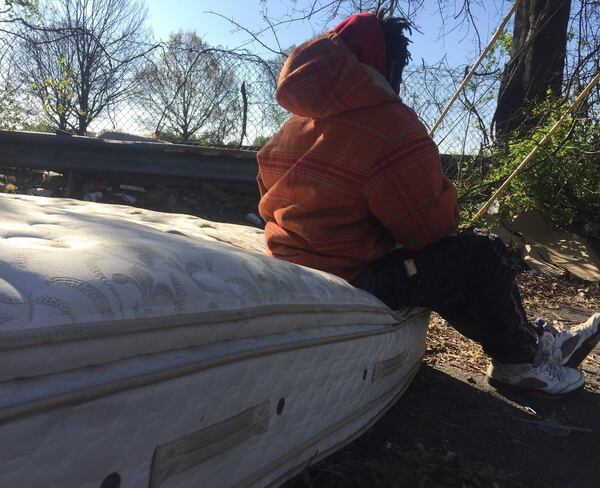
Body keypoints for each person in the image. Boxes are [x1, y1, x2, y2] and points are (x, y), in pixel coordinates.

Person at [256, 12, 600, 394]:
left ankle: (533, 342)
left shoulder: (293, 126)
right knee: (479, 256)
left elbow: (271, 196)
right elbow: (433, 230)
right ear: (386, 66)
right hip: (352, 274)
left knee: (429, 268)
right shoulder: (390, 125)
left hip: (293, 257)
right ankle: (520, 361)